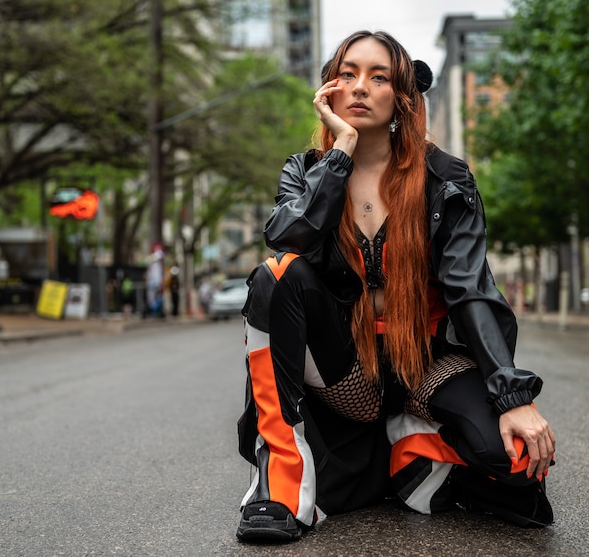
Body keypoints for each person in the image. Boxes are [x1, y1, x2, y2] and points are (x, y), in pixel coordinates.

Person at [235, 30, 556, 543]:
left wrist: (511, 394)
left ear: (402, 96)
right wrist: (341, 153)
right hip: (347, 377)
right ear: (329, 93)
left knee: (516, 460)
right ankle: (281, 487)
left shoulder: (445, 177)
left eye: (378, 76)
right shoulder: (307, 171)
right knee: (276, 276)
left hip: (425, 363)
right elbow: (289, 238)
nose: (360, 87)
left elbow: (470, 288)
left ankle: (411, 442)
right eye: (348, 74)